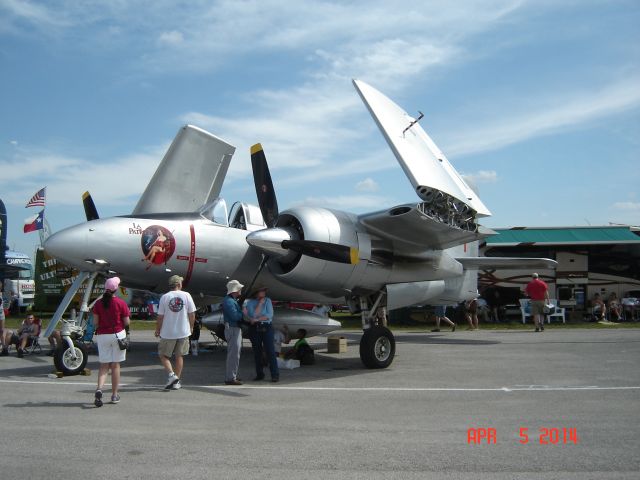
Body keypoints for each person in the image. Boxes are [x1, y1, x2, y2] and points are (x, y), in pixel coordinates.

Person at [92, 277, 130, 406]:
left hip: (103, 335)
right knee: (115, 366)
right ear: (116, 289)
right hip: (118, 334)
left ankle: (99, 389)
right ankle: (114, 395)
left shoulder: (98, 304)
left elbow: (95, 322)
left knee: (104, 365)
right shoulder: (121, 303)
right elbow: (126, 322)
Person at [155, 275, 196, 390]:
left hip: (168, 331)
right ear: (178, 284)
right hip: (183, 331)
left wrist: (158, 329)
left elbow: (160, 316)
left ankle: (172, 376)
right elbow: (192, 314)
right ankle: (176, 379)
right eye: (181, 282)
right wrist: (191, 327)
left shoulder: (165, 297)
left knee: (163, 355)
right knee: (179, 356)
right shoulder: (187, 295)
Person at [245, 286, 279, 382]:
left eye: (264, 291)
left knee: (270, 351)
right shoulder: (250, 303)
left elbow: (269, 315)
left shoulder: (268, 301)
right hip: (255, 328)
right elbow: (253, 315)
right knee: (257, 352)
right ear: (256, 293)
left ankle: (275, 374)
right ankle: (260, 374)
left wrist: (257, 319)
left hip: (266, 327)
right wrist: (260, 304)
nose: (264, 292)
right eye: (262, 291)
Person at [222, 279, 244, 386]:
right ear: (235, 290)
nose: (240, 290)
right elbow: (235, 316)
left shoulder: (230, 300)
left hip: (232, 328)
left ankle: (232, 375)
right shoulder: (230, 301)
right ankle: (230, 378)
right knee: (233, 354)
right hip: (233, 329)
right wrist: (243, 313)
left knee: (235, 354)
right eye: (239, 288)